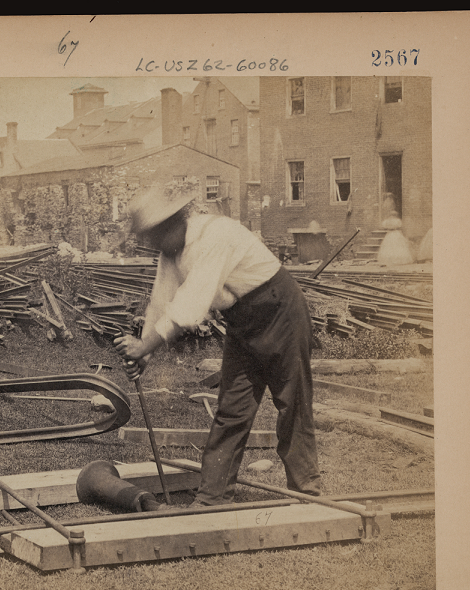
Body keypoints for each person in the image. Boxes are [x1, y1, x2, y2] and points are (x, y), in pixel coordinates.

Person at [114, 186, 322, 506]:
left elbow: (189, 307)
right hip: (242, 320)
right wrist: (145, 350)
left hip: (281, 310)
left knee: (292, 404)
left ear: (173, 224)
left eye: (153, 236)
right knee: (232, 409)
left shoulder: (215, 234)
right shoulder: (171, 251)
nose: (151, 244)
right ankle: (212, 497)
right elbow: (162, 302)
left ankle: (306, 491)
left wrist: (143, 348)